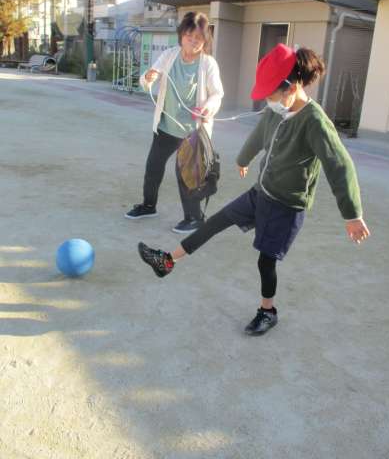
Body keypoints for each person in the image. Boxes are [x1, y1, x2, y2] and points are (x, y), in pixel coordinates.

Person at [137, 44, 371, 336]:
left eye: (271, 95)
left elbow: (339, 165)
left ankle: (267, 311)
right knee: (215, 222)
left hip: (287, 206)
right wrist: (243, 159)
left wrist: (352, 214)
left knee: (265, 261)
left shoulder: (315, 122)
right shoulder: (276, 111)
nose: (268, 102)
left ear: (292, 87)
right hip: (261, 192)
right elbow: (259, 136)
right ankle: (167, 261)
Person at [125, 12, 224, 233]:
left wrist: (209, 107)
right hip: (166, 127)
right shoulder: (169, 55)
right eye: (189, 36)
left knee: (187, 176)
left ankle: (194, 218)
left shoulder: (208, 64)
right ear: (181, 36)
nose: (193, 41)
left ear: (205, 40)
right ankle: (148, 206)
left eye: (199, 38)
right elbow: (149, 77)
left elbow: (217, 94)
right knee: (153, 167)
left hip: (192, 132)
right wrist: (148, 78)